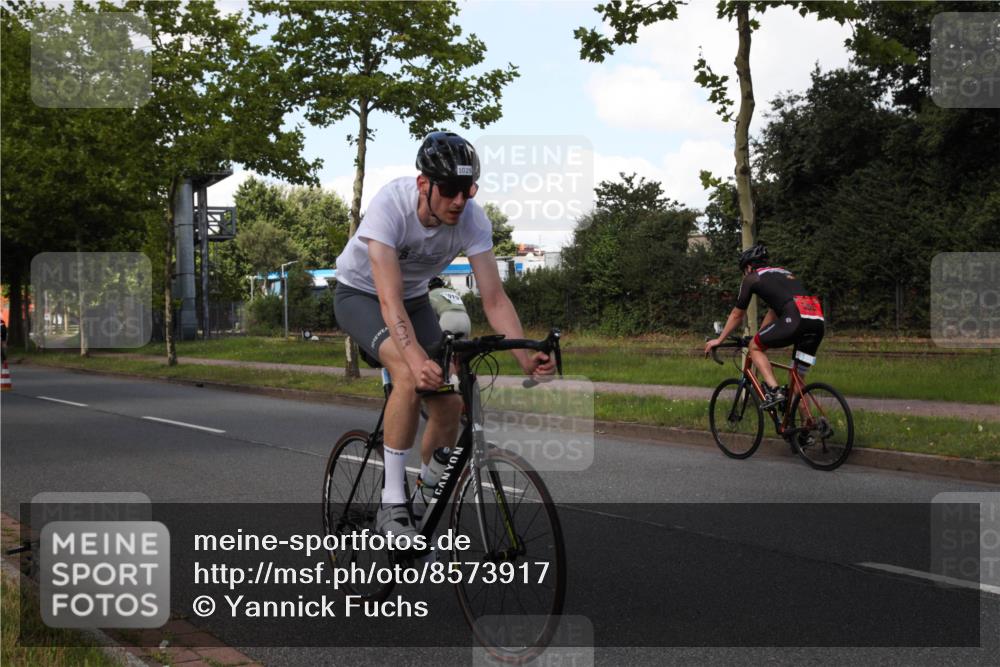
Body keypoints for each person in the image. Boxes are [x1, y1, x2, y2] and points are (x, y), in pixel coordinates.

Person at [333, 131, 555, 541]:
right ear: (424, 184)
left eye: (467, 190)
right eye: (450, 190)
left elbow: (494, 298)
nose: (459, 201)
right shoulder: (390, 206)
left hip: (415, 299)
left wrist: (525, 356)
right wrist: (416, 358)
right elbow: (388, 299)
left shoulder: (472, 219)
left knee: (450, 404)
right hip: (361, 296)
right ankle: (392, 504)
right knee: (409, 374)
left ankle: (426, 500)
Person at [704, 244, 825, 409]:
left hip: (795, 320)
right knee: (798, 381)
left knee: (754, 348)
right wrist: (759, 335)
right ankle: (809, 430)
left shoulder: (752, 277)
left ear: (748, 267)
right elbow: (774, 311)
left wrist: (719, 339)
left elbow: (737, 315)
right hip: (816, 322)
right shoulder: (784, 272)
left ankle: (775, 391)